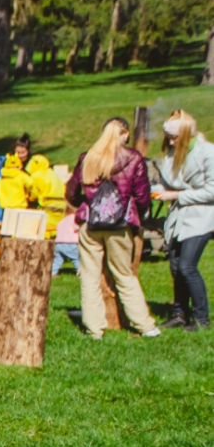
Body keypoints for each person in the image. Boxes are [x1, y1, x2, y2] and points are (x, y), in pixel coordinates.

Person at [65, 117, 159, 339]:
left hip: (90, 223)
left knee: (89, 276)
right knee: (124, 274)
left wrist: (85, 205)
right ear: (125, 134)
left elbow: (71, 192)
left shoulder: (88, 157)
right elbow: (143, 195)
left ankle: (94, 328)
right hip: (121, 224)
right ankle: (145, 325)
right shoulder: (133, 158)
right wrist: (140, 213)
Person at [154, 110, 214, 330]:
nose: (170, 142)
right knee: (176, 265)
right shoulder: (172, 153)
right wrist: (155, 191)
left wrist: (177, 195)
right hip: (179, 218)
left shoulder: (208, 152)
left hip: (202, 216)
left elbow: (212, 191)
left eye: (174, 137)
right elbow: (170, 183)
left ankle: (201, 318)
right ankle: (179, 313)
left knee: (188, 266)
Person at [26, 154, 67, 237]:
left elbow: (34, 194)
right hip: (62, 206)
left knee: (45, 230)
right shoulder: (53, 173)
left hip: (47, 207)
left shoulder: (36, 176)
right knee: (57, 230)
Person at [0, 152, 33, 218]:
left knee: (8, 225)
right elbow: (30, 183)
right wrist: (27, 192)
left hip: (5, 206)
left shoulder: (2, 176)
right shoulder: (21, 175)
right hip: (19, 205)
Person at [53, 205, 80, 276]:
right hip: (70, 243)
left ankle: (53, 273)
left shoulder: (62, 220)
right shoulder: (75, 218)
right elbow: (78, 227)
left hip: (58, 243)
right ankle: (81, 274)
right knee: (77, 259)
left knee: (57, 260)